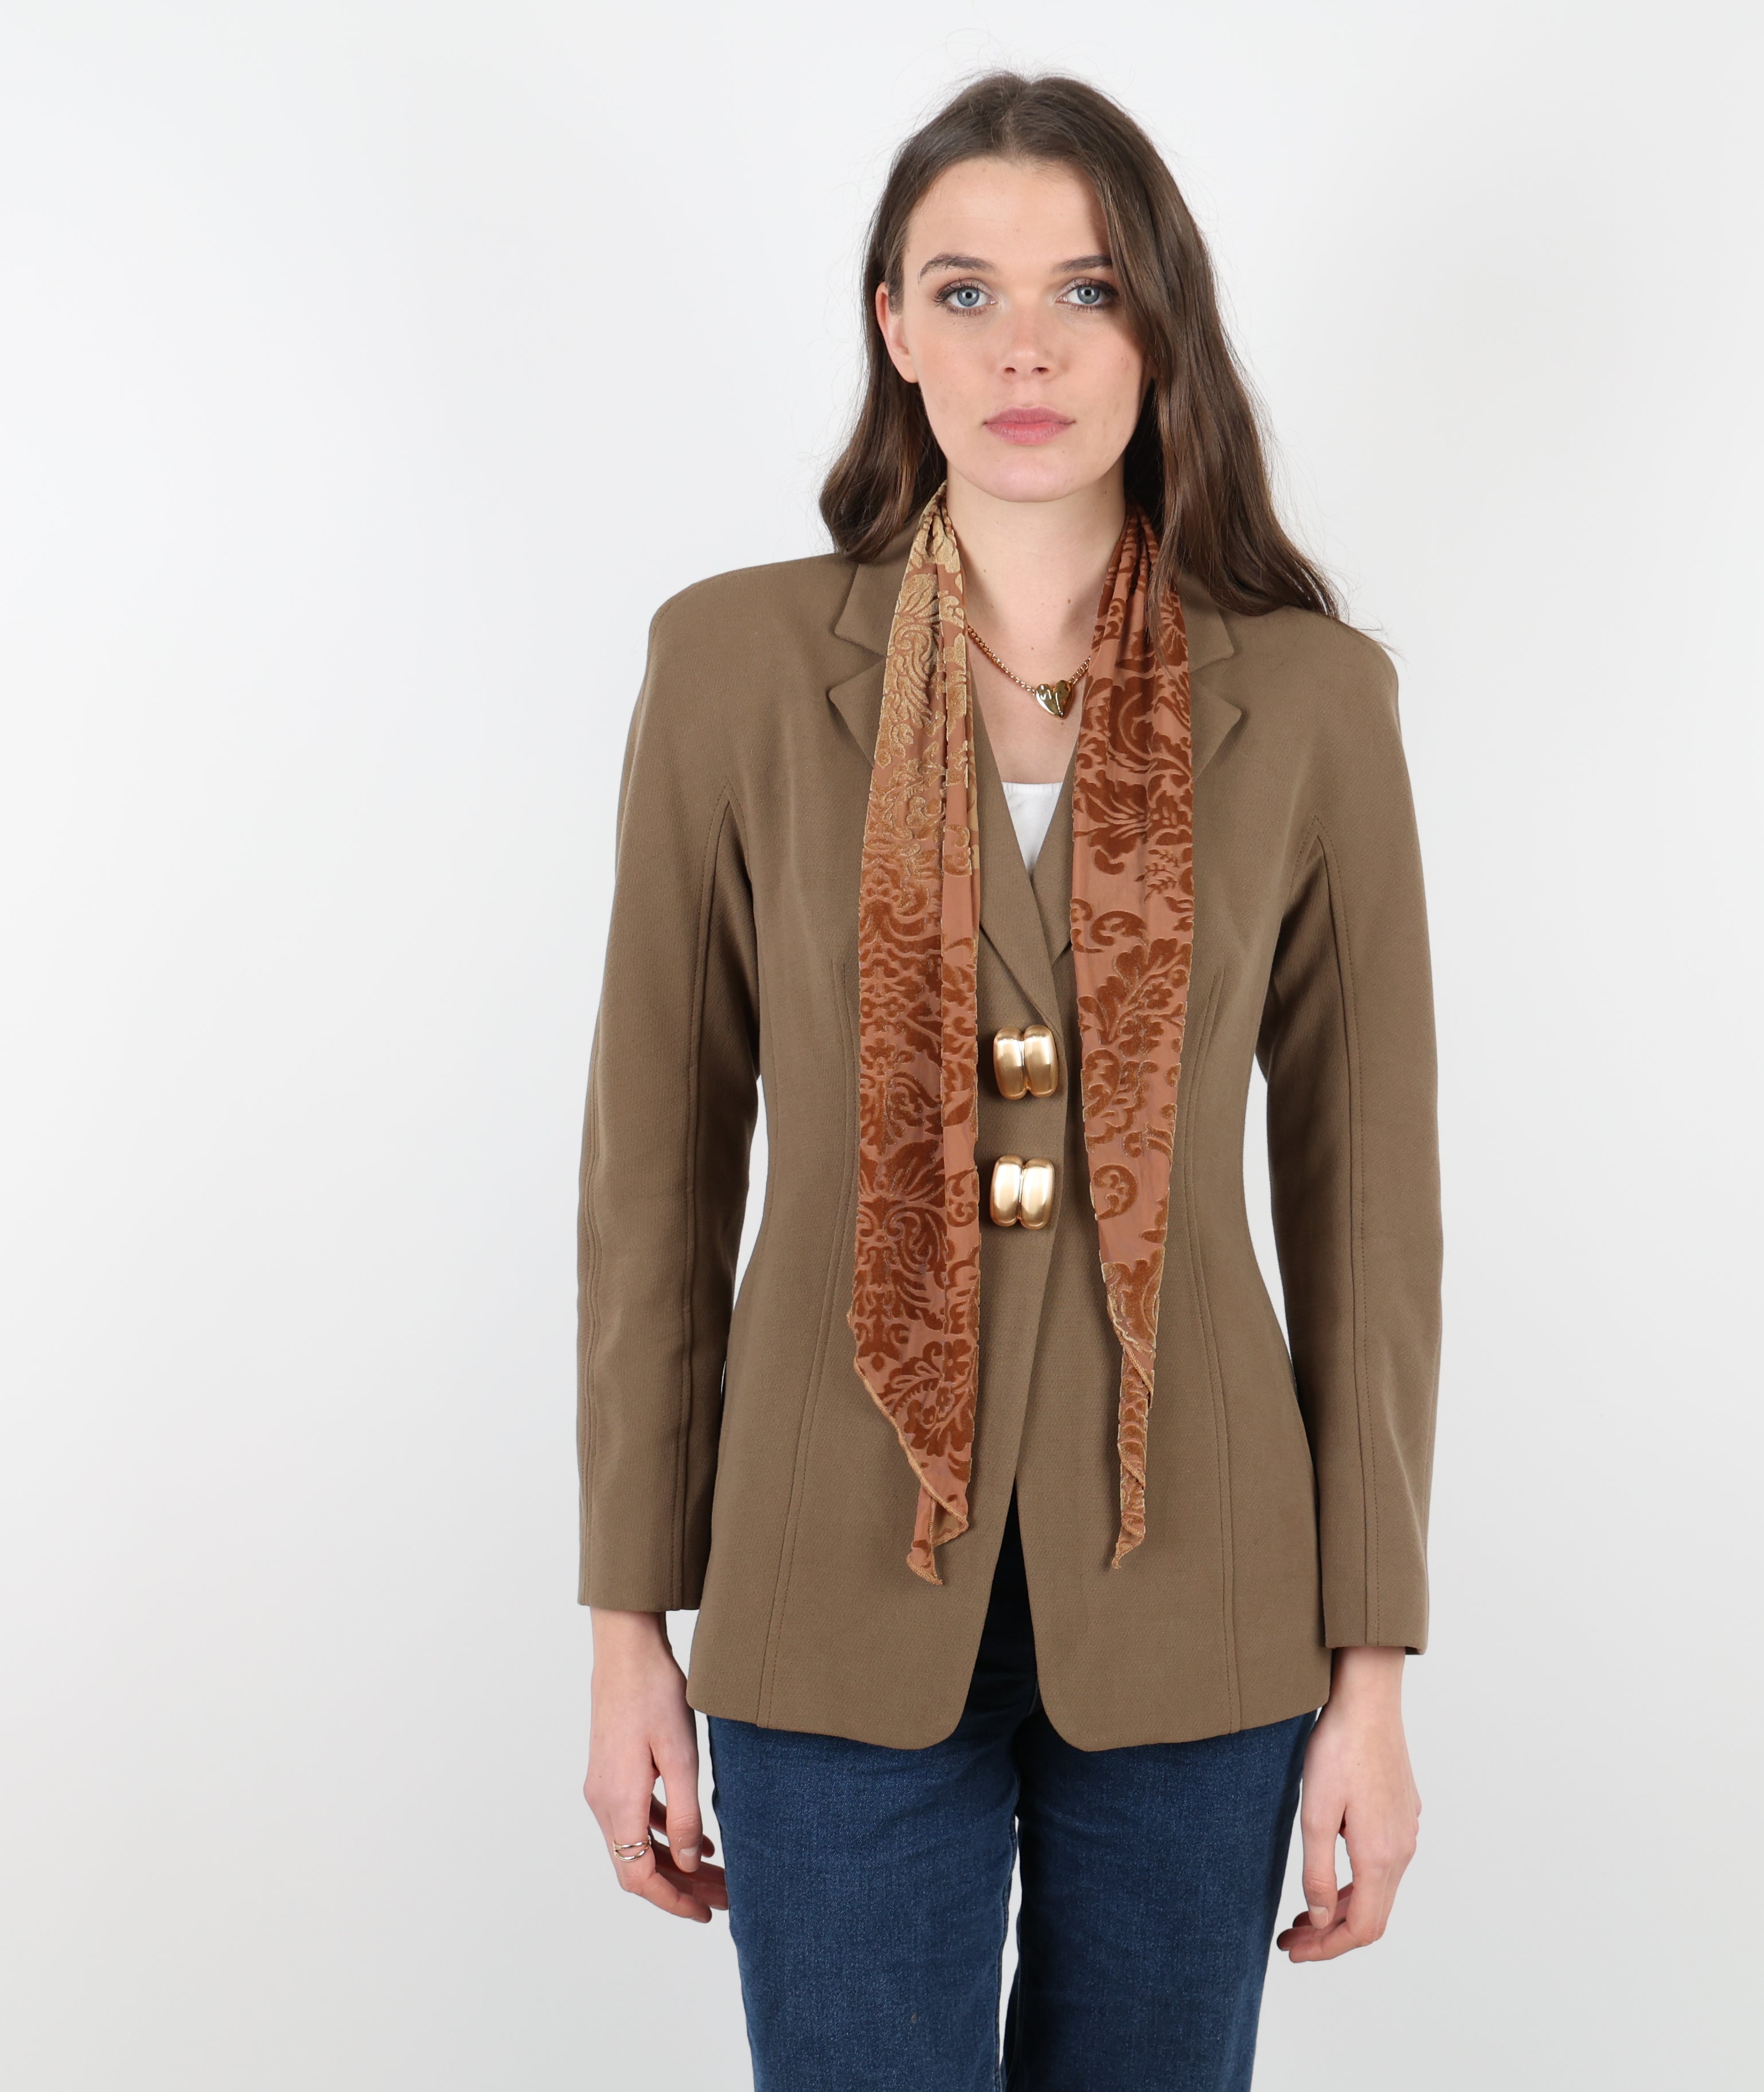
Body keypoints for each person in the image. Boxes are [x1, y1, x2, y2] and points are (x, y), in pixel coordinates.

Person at [577, 69, 1442, 2092]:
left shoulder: (1314, 698)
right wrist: (628, 1632)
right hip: (823, 1577)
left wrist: (1375, 1676)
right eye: (965, 291)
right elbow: (657, 1178)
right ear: (894, 326)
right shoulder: (731, 668)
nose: (1025, 348)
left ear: (1161, 326)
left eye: (1087, 290)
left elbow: (1370, 1210)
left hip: (1207, 1598)